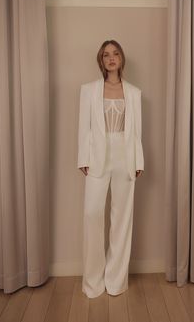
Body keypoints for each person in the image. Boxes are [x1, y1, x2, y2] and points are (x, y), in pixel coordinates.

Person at [77, 39, 144, 298]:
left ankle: (116, 281)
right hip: (97, 157)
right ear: (101, 60)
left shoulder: (134, 93)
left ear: (122, 58)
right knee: (92, 215)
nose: (111, 58)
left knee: (122, 219)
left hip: (124, 157)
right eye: (106, 55)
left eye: (115, 54)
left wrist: (138, 161)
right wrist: (83, 158)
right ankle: (93, 282)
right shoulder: (89, 90)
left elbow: (136, 132)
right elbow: (84, 127)